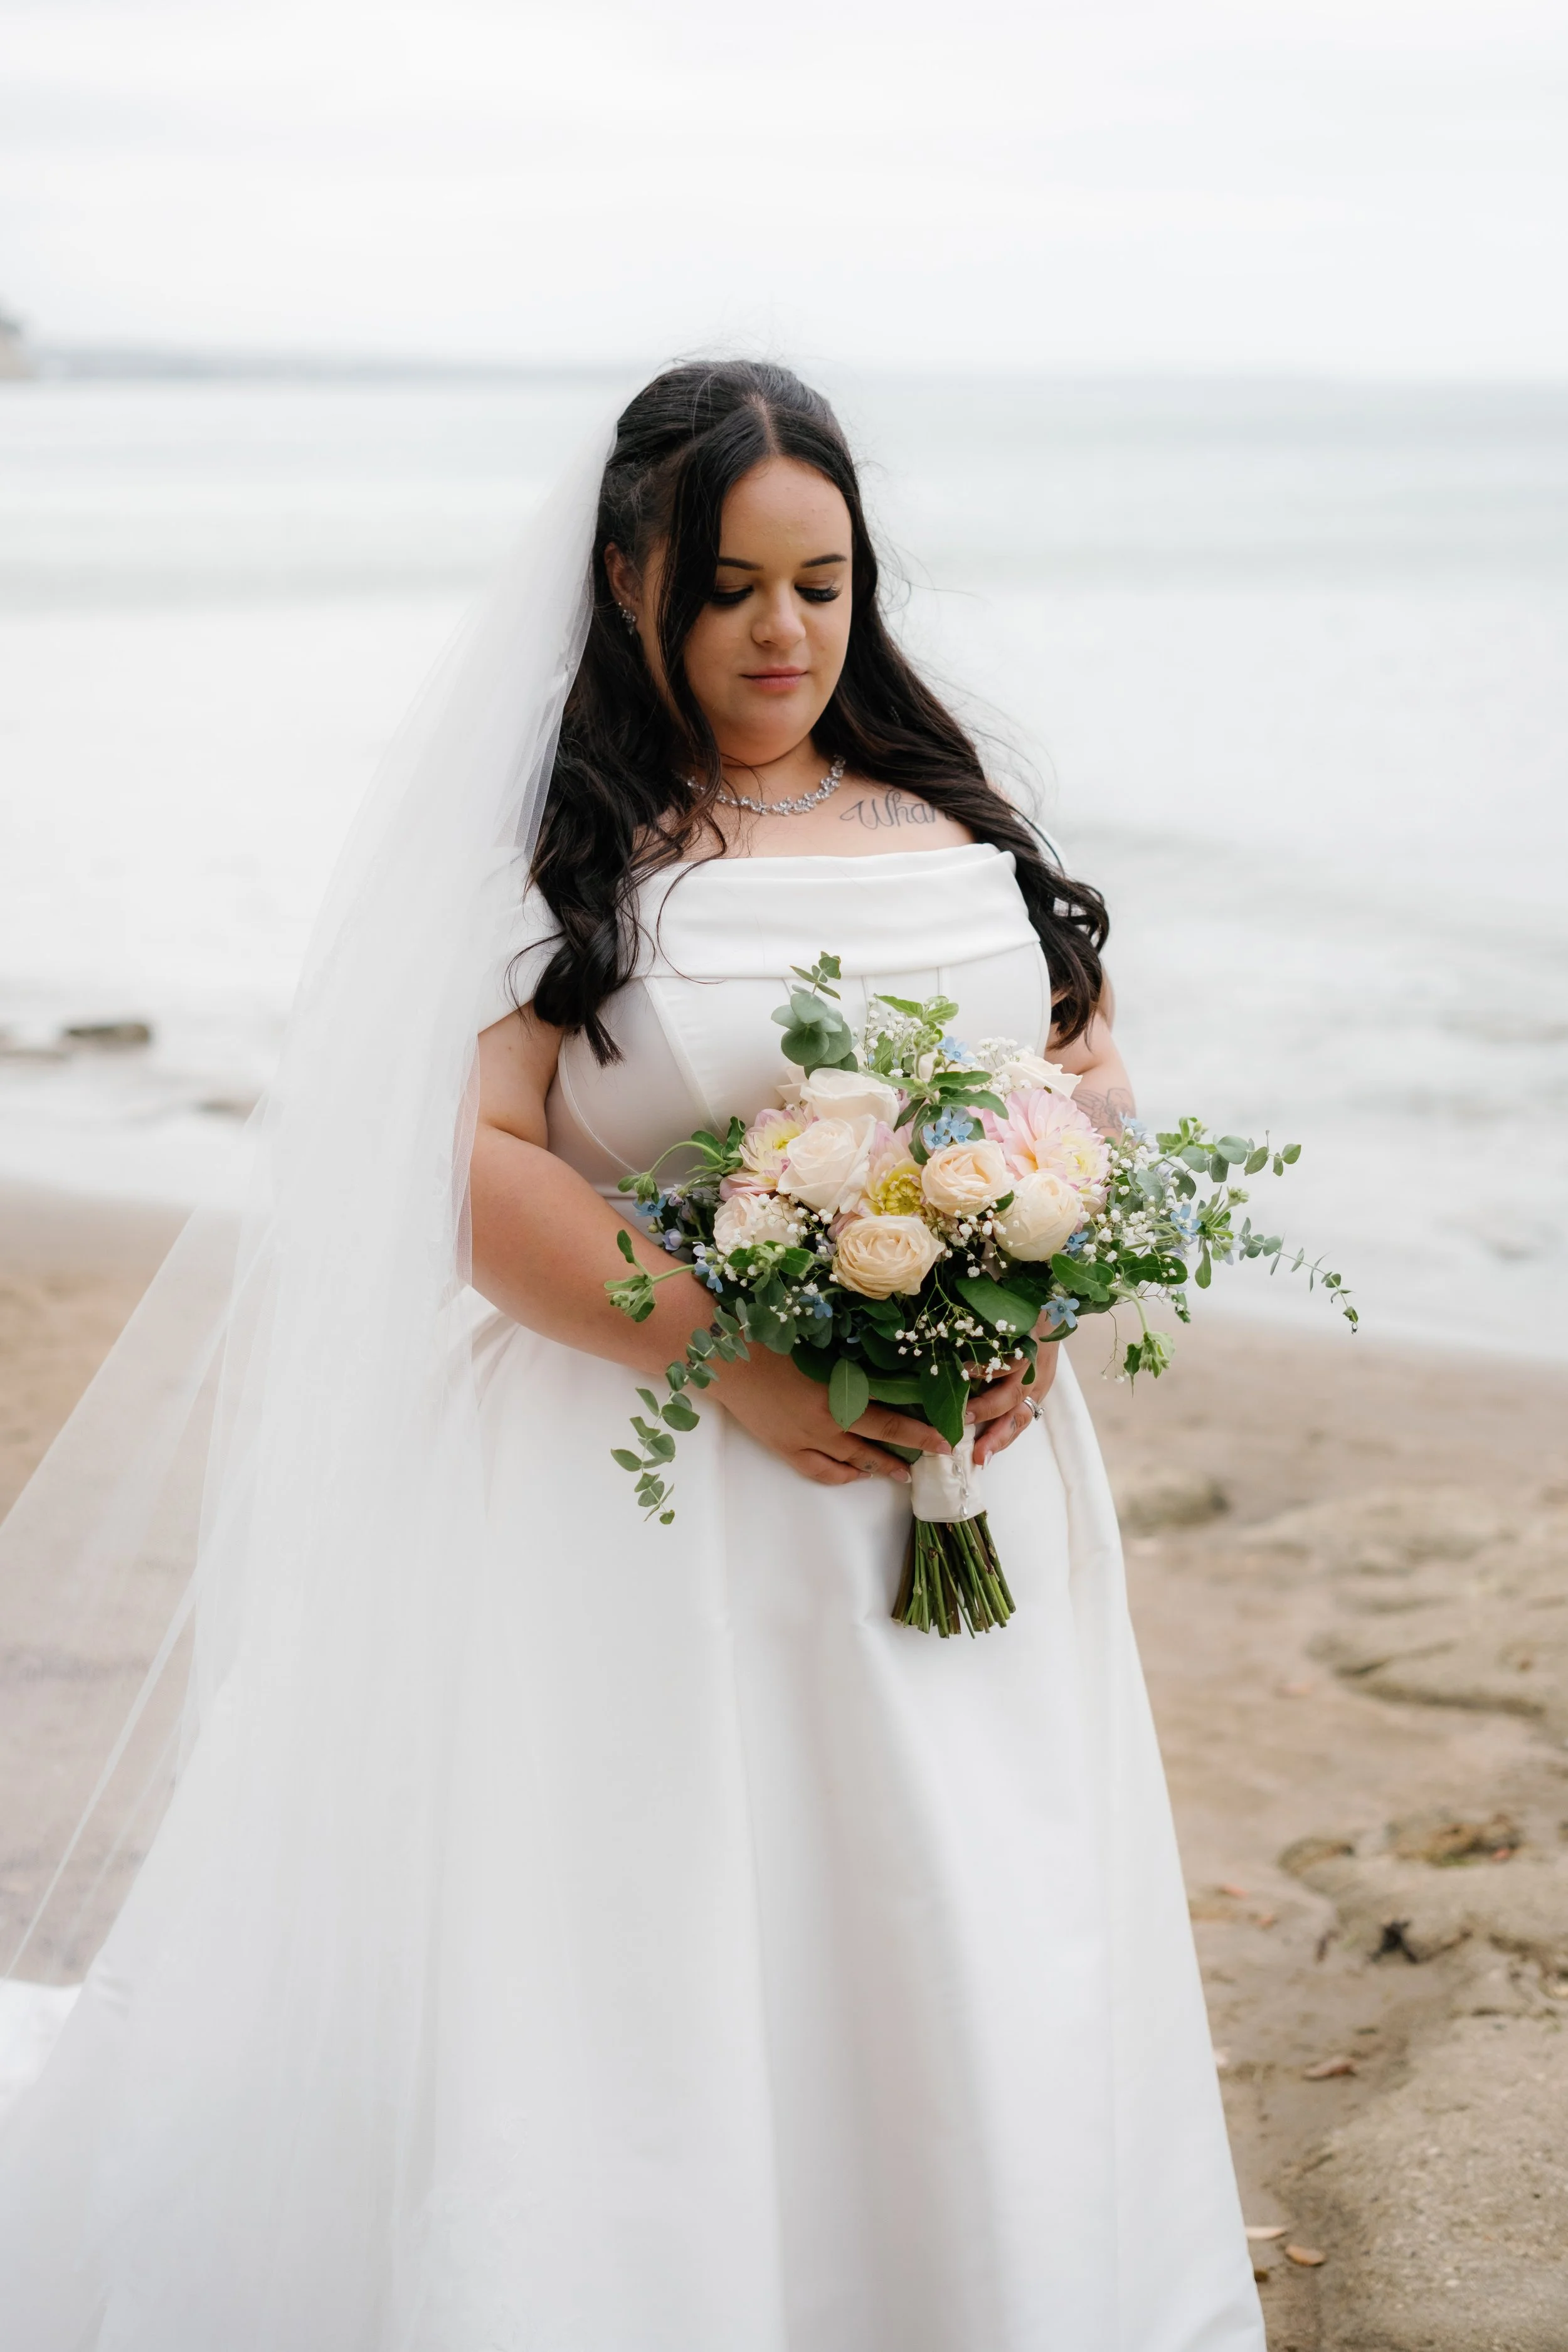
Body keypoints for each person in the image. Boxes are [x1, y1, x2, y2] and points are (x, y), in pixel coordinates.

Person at [0, 361, 1264, 2349]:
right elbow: (465, 1162)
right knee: (659, 1953)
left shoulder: (953, 822)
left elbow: (1079, 1093)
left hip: (964, 1480)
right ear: (629, 582)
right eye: (731, 587)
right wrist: (734, 1364)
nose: (782, 632)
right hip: (645, 1498)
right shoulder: (565, 853)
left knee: (968, 1912)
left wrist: (1033, 1307)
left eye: (822, 584)